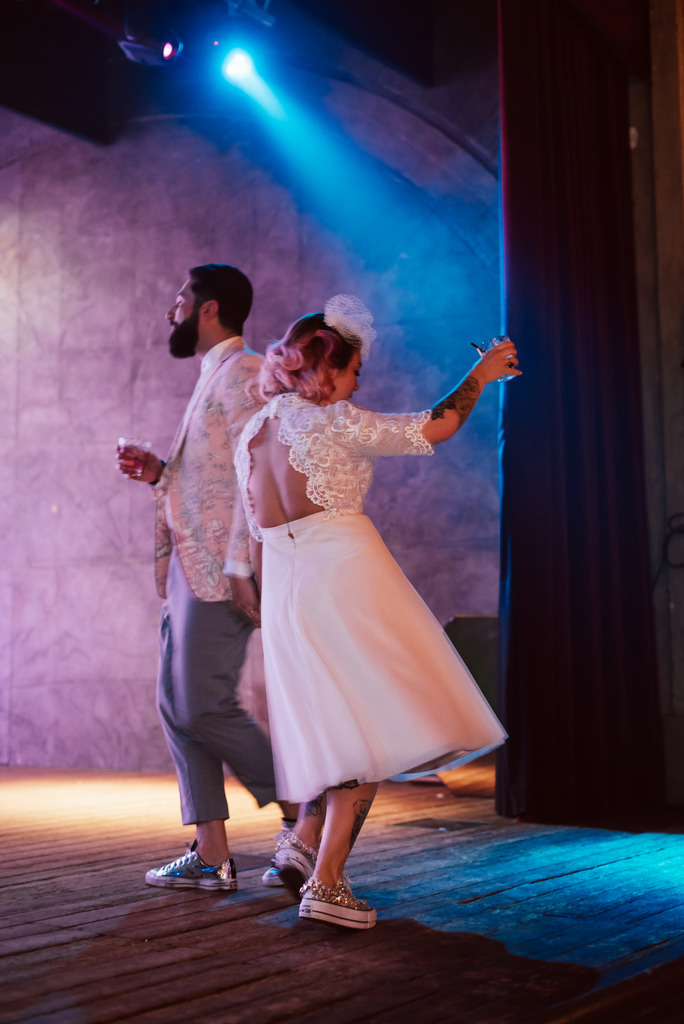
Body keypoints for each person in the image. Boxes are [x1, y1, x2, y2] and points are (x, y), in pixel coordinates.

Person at [228, 295, 519, 929]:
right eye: (355, 372)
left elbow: (254, 532)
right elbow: (434, 426)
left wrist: (262, 596)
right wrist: (482, 373)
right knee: (369, 725)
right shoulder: (334, 422)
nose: (358, 385)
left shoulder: (253, 432)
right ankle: (328, 883)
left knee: (332, 724)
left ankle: (302, 845)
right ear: (327, 369)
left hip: (286, 590)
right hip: (344, 578)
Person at [117, 263, 296, 892]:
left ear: (209, 308)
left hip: (222, 567)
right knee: (175, 704)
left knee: (202, 703)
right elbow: (216, 475)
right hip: (192, 566)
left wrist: (243, 563)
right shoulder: (215, 374)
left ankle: (306, 810)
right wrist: (160, 471)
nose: (172, 309)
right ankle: (211, 854)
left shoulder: (246, 372)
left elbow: (260, 473)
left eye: (180, 298)